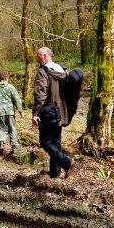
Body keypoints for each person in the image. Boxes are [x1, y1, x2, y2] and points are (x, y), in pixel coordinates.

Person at [32, 47, 75, 178]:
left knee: (45, 142)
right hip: (62, 112)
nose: (37, 58)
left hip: (48, 113)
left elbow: (40, 94)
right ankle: (55, 174)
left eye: (39, 56)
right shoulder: (63, 71)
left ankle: (67, 162)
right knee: (55, 143)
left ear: (45, 56)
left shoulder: (44, 71)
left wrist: (35, 113)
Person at [0, 70, 23, 155]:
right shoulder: (11, 87)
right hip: (10, 112)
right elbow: (17, 99)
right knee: (12, 128)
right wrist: (20, 110)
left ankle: (2, 143)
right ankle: (14, 146)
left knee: (1, 128)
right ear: (7, 78)